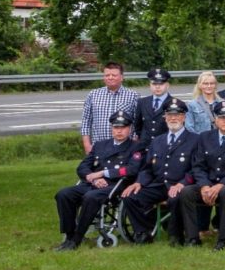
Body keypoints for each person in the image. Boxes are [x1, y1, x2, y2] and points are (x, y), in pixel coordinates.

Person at [54, 110, 143, 250]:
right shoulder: (100, 145)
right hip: (93, 183)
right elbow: (83, 167)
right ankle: (69, 235)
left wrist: (103, 173)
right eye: (116, 127)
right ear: (111, 128)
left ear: (130, 129)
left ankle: (77, 238)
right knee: (63, 194)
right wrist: (93, 179)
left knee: (91, 197)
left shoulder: (136, 147)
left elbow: (132, 169)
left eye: (123, 127)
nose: (119, 131)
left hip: (115, 185)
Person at [120, 98, 200, 244]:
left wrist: (182, 183)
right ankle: (144, 231)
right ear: (165, 117)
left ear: (184, 117)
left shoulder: (195, 140)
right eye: (170, 115)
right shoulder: (157, 141)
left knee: (176, 198)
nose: (173, 118)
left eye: (177, 115)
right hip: (159, 185)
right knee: (130, 196)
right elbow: (147, 168)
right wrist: (139, 183)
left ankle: (175, 235)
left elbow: (197, 168)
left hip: (180, 185)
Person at [178, 98, 225, 250]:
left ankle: (222, 240)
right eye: (221, 117)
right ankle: (193, 237)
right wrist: (204, 185)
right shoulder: (205, 137)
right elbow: (198, 166)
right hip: (208, 183)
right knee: (186, 192)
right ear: (215, 120)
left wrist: (220, 185)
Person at [80, 62, 141, 155]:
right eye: (107, 75)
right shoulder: (93, 95)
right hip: (99, 146)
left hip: (124, 147)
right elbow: (86, 121)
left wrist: (134, 143)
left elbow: (138, 122)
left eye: (114, 75)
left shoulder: (133, 96)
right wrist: (87, 144)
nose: (110, 77)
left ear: (122, 77)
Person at [131, 67, 175, 147]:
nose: (157, 87)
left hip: (165, 146)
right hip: (145, 147)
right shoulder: (142, 102)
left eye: (161, 84)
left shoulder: (174, 103)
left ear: (167, 85)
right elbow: (137, 125)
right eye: (154, 84)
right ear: (150, 85)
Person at [185, 70, 221, 136]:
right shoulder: (192, 105)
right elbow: (189, 128)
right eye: (205, 83)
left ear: (215, 85)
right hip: (200, 140)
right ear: (200, 85)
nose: (209, 86)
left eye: (212, 83)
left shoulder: (222, 103)